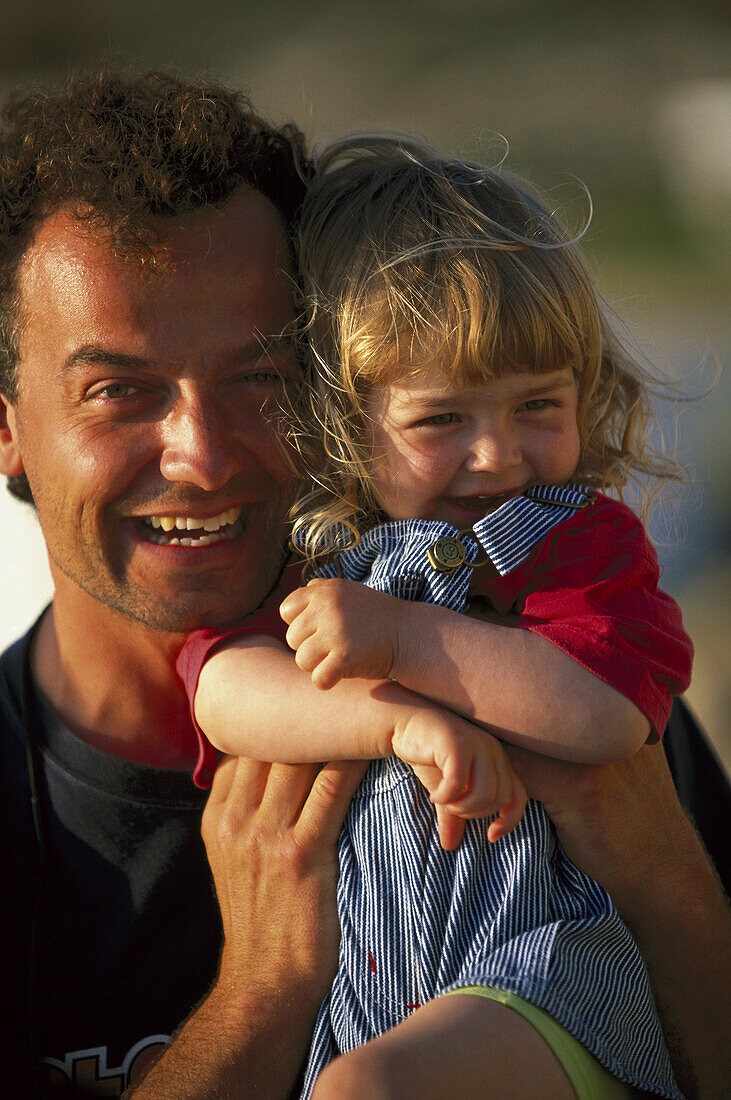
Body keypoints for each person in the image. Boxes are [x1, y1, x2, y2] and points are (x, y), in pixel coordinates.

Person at [0, 72, 726, 1100]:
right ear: (7, 428)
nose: (199, 456)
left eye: (259, 377)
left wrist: (659, 873)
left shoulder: (534, 641)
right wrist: (262, 992)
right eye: (119, 389)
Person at [179, 139, 695, 1097]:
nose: (496, 456)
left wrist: (407, 641)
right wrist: (397, 718)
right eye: (440, 421)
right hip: (365, 998)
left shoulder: (577, 543)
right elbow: (221, 690)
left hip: (542, 987)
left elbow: (605, 711)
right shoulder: (315, 559)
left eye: (537, 404)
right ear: (343, 419)